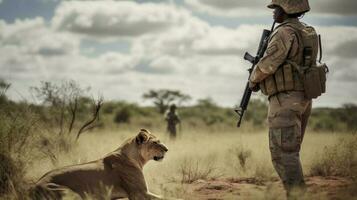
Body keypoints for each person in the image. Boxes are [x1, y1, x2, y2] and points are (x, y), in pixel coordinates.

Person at [249, 0, 318, 199]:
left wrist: (253, 79)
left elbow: (268, 64)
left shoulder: (283, 32)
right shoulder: (308, 31)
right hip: (303, 98)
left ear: (286, 9)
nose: (273, 14)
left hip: (286, 101)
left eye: (276, 8)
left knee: (284, 154)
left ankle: (297, 196)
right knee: (291, 152)